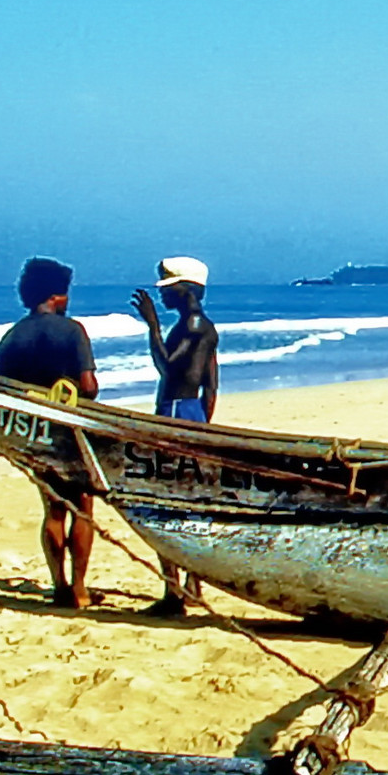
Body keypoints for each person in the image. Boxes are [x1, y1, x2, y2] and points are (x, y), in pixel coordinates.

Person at [0, 257, 101, 609]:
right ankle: (81, 589)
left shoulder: (10, 338)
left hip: (34, 435)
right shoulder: (72, 330)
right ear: (57, 297)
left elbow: (4, 394)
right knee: (82, 507)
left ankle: (58, 586)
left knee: (53, 510)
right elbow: (88, 386)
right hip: (71, 432)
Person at [131, 256, 220, 616]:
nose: (163, 297)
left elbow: (167, 368)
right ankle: (192, 585)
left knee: (164, 498)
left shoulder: (192, 327)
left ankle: (174, 592)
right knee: (190, 499)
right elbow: (212, 384)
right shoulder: (203, 327)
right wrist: (203, 426)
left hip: (175, 412)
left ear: (186, 290)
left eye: (168, 290)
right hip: (192, 413)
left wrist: (152, 326)